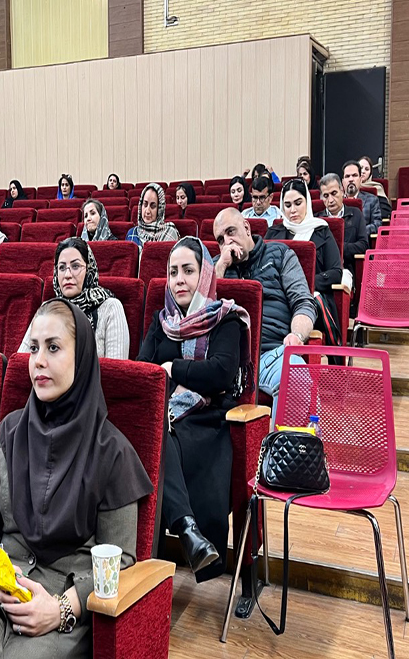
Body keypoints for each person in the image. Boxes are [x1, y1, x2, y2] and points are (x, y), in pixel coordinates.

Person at [0, 300, 152, 658]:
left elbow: (120, 561)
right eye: (34, 348)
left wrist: (62, 609)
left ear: (81, 359)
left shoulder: (113, 452)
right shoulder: (11, 432)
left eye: (53, 348)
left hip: (64, 599)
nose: (38, 360)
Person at [137, 237, 250, 582]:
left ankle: (158, 552)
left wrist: (172, 368)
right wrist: (177, 374)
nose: (179, 280)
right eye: (173, 272)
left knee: (153, 441)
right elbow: (143, 370)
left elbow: (220, 373)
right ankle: (187, 530)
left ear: (205, 275)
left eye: (188, 271)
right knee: (153, 435)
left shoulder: (226, 318)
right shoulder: (162, 321)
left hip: (208, 421)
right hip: (166, 416)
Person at [212, 207, 316, 399]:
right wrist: (221, 267)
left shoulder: (280, 253)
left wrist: (297, 334)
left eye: (231, 232)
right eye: (220, 239)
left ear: (246, 228)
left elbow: (303, 302)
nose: (227, 242)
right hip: (225, 360)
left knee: (296, 378)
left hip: (271, 353)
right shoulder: (216, 267)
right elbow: (202, 311)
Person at [18, 238, 129, 359]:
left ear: (89, 269)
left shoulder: (111, 308)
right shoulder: (47, 308)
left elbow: (116, 368)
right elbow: (21, 360)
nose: (67, 275)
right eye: (62, 268)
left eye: (75, 266)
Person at [265, 180, 343, 345]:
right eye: (287, 205)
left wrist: (301, 285)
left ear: (307, 202)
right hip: (278, 298)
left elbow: (336, 273)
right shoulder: (273, 233)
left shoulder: (321, 231)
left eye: (298, 203)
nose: (293, 210)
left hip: (311, 296)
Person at [317, 173, 367, 283]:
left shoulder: (356, 214)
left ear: (342, 191)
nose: (330, 200)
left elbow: (363, 245)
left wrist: (337, 248)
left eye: (334, 193)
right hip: (323, 272)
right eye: (326, 196)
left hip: (347, 268)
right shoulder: (317, 220)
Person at [126, 183, 179, 250]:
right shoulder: (132, 233)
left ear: (159, 209)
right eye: (145, 205)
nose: (147, 211)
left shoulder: (170, 232)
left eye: (153, 206)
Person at [342, 161, 382, 236]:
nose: (351, 179)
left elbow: (377, 224)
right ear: (343, 181)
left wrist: (360, 231)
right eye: (347, 176)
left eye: (354, 175)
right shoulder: (337, 201)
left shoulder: (372, 200)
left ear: (360, 180)